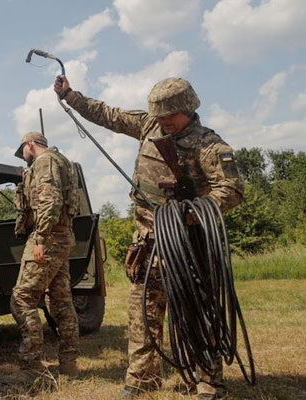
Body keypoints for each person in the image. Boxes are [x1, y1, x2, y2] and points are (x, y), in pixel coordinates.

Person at [53, 75, 244, 399]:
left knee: (195, 313)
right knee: (142, 313)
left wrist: (191, 212)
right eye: (158, 115)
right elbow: (108, 115)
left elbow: (232, 189)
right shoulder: (147, 126)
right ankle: (142, 379)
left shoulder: (209, 144)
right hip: (148, 242)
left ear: (186, 109)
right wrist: (71, 96)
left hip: (189, 245)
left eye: (168, 115)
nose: (162, 122)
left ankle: (205, 380)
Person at [7, 131, 80, 381]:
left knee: (22, 299)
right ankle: (69, 364)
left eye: (23, 151)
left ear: (30, 145)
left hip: (48, 237)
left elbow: (50, 201)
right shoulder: (62, 161)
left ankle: (31, 368)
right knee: (60, 300)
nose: (23, 157)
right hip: (62, 236)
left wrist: (39, 238)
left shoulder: (44, 162)